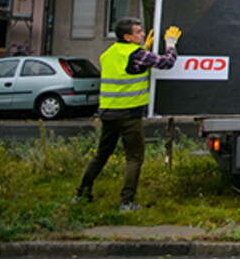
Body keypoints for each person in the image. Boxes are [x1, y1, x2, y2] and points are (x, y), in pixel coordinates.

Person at [74, 17, 180, 212]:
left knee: (101, 154)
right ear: (128, 36)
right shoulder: (136, 54)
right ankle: (127, 202)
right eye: (138, 32)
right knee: (134, 158)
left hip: (108, 113)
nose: (142, 34)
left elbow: (129, 70)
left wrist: (144, 49)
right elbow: (166, 62)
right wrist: (171, 44)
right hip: (129, 115)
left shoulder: (109, 54)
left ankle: (81, 194)